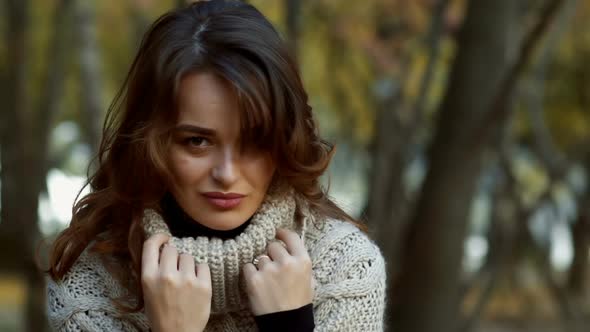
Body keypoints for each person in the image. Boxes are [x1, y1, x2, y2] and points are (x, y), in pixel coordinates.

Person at [45, 1, 386, 331]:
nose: (226, 174)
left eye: (254, 143)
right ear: (151, 143)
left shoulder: (345, 267)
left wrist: (290, 325)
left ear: (284, 140)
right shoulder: (91, 285)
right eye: (197, 141)